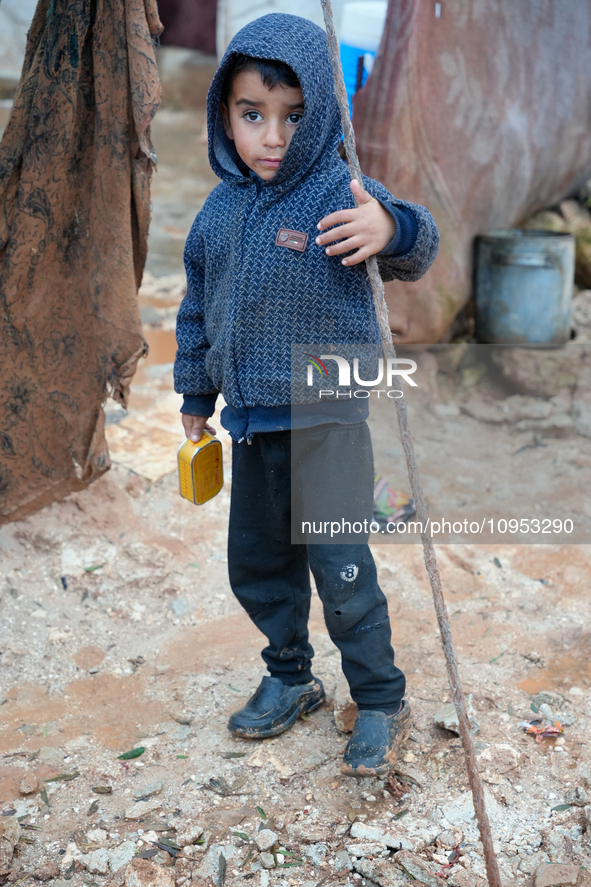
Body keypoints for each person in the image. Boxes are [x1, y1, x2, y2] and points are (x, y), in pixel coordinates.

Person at [174, 13, 439, 776]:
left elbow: (418, 244)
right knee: (258, 561)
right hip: (250, 423)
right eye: (251, 115)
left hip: (327, 419)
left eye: (293, 116)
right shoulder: (217, 213)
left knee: (341, 568)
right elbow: (195, 310)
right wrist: (194, 392)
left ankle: (380, 695)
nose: (272, 136)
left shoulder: (340, 187)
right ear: (223, 111)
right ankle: (290, 675)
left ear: (321, 111)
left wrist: (387, 226)